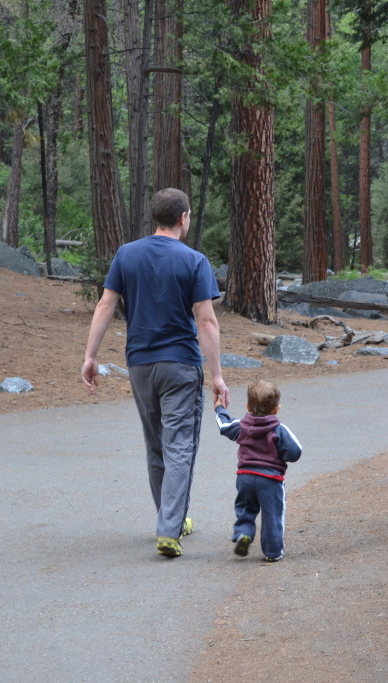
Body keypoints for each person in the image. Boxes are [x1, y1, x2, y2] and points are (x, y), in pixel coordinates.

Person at [81, 188, 230, 559]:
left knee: (156, 444)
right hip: (179, 363)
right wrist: (217, 375)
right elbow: (207, 322)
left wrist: (90, 355)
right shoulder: (195, 261)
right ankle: (169, 528)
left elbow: (106, 304)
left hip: (140, 365)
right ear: (183, 218)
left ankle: (171, 518)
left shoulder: (126, 254)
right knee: (180, 445)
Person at [214, 379, 302, 562]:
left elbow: (224, 426)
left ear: (247, 406)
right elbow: (295, 452)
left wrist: (219, 409)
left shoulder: (242, 426)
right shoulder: (279, 430)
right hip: (270, 480)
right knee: (272, 515)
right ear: (277, 408)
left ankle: (243, 533)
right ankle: (273, 552)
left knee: (246, 508)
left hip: (245, 477)